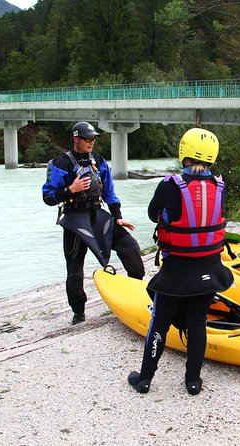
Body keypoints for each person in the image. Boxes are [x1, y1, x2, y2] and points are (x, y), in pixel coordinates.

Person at [127, 128, 233, 396]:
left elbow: (153, 214)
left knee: (159, 322)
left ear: (184, 151)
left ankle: (145, 379)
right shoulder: (220, 186)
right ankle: (193, 381)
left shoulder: (169, 185)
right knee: (198, 322)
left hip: (176, 271)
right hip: (209, 268)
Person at [42, 121, 145, 325]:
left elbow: (109, 191)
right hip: (75, 220)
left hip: (98, 216)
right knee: (74, 269)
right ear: (76, 139)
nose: (91, 142)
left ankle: (135, 292)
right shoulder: (59, 164)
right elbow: (48, 197)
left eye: (93, 139)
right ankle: (78, 312)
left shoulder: (98, 161)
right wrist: (71, 189)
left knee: (130, 247)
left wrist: (117, 216)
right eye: (87, 139)